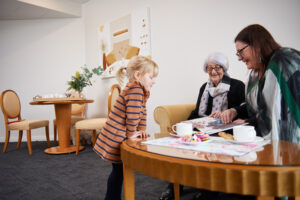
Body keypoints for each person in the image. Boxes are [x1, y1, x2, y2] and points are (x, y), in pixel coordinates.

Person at [159, 52, 246, 200]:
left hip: (223, 129)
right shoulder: (204, 88)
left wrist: (227, 112)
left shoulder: (237, 85)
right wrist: (184, 124)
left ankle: (207, 191)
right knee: (181, 144)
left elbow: (245, 108)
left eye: (217, 67)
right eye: (209, 68)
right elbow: (197, 111)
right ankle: (174, 186)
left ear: (224, 68)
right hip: (203, 127)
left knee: (208, 144)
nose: (213, 71)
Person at [221, 24, 300, 143]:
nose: (239, 58)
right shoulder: (253, 75)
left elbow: (281, 112)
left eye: (241, 51)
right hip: (259, 139)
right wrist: (235, 111)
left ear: (257, 45)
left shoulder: (282, 61)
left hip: (289, 143)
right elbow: (257, 107)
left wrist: (249, 122)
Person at [93, 56, 159, 200]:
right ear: (138, 75)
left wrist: (141, 130)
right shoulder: (136, 89)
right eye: (151, 77)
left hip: (118, 133)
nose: (154, 81)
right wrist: (131, 134)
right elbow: (133, 115)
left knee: (119, 172)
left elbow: (142, 112)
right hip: (117, 134)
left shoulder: (139, 90)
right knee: (118, 172)